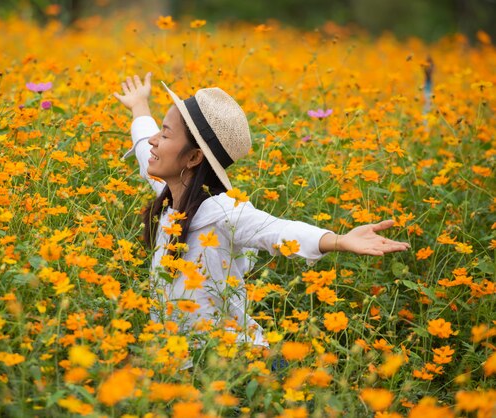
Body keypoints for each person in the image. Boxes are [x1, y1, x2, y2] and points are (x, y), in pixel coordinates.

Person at [113, 73, 410, 363]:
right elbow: (144, 149)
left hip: (236, 360)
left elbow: (277, 230)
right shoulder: (172, 193)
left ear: (193, 158)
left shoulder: (224, 213)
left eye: (164, 134)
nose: (154, 140)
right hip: (188, 360)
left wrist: (339, 240)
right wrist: (140, 106)